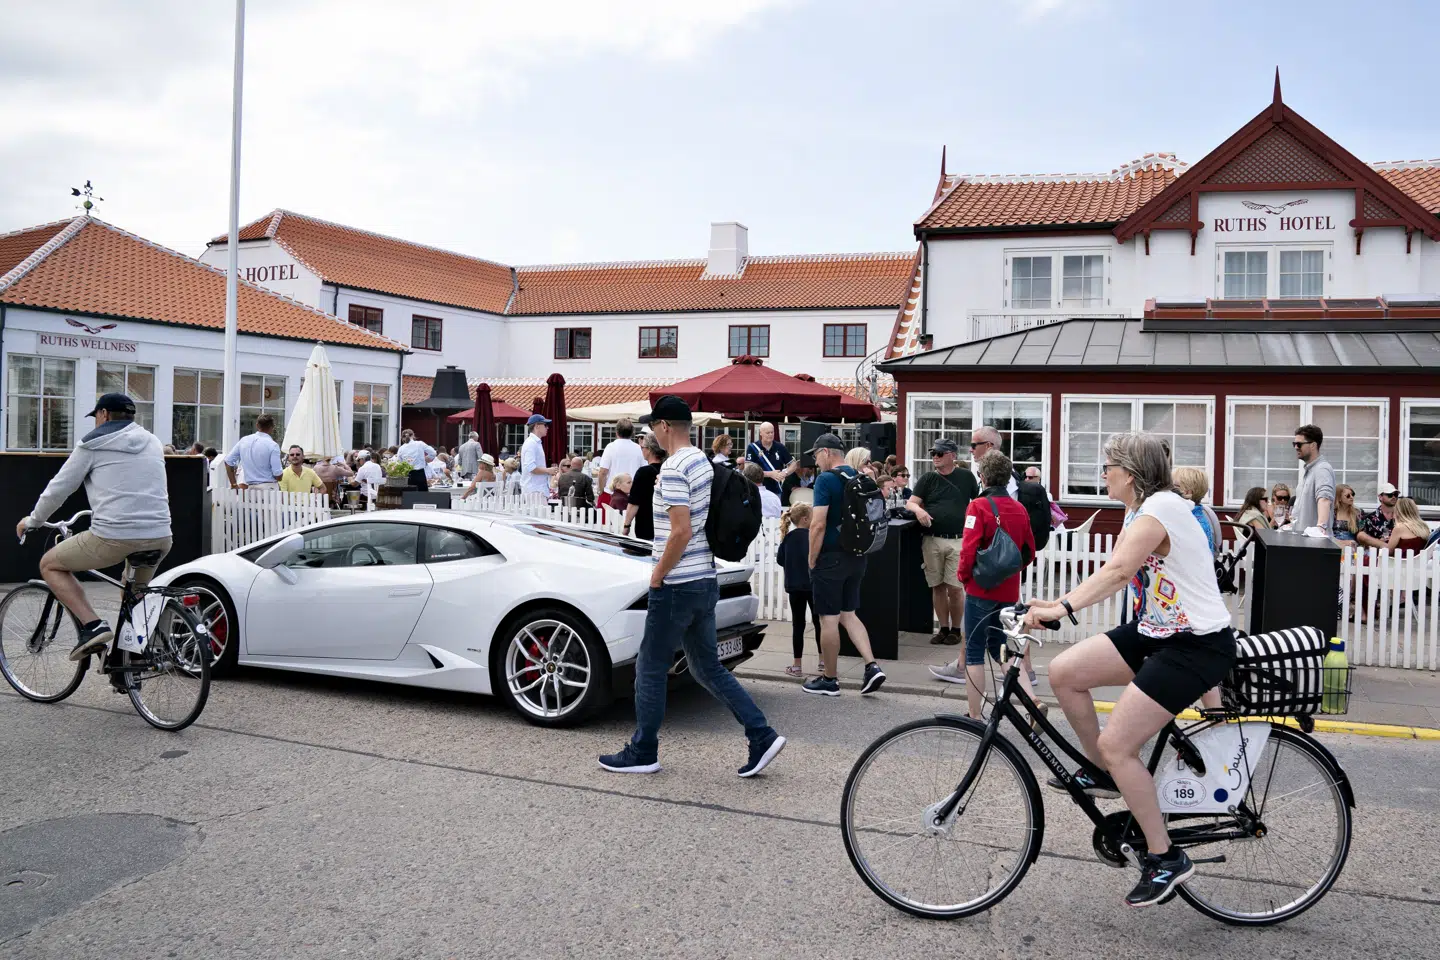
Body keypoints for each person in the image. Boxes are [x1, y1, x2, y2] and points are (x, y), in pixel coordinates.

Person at [1025, 431, 1234, 908]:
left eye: (1108, 466)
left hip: (1195, 645)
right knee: (1064, 673)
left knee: (1119, 743)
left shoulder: (1161, 509)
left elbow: (1118, 571)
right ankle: (1102, 772)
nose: (1103, 474)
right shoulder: (1143, 508)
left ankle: (1165, 858)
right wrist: (1056, 603)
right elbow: (1117, 573)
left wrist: (1060, 608)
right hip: (1158, 631)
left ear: (1132, 475)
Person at [599, 395, 786, 778]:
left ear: (665, 427)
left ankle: (643, 750)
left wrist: (657, 575)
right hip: (704, 578)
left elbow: (680, 531)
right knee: (706, 668)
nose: (651, 431)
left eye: (653, 425)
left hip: (677, 583)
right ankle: (761, 733)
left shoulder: (672, 470)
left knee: (650, 666)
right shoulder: (701, 461)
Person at [15, 393, 173, 661]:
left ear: (104, 415)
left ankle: (92, 626)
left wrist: (34, 520)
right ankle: (129, 662)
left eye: (96, 417)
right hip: (161, 535)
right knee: (133, 593)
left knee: (50, 564)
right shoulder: (153, 441)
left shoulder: (93, 444)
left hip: (114, 535)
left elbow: (59, 489)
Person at [929, 451, 1041, 721]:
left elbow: (968, 550)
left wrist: (966, 578)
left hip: (980, 589)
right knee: (1004, 646)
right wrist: (1011, 572)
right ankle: (1033, 701)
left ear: (983, 477)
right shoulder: (1019, 508)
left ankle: (974, 714)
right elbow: (1029, 551)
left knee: (975, 651)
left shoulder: (978, 506)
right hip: (1009, 589)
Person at [801, 436, 887, 697]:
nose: (815, 461)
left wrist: (811, 559)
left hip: (831, 558)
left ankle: (830, 679)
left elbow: (817, 524)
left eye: (816, 455)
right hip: (857, 556)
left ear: (827, 452)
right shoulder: (861, 477)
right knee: (849, 614)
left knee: (828, 619)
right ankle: (872, 666)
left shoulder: (826, 480)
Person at [906, 437, 980, 646]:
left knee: (955, 588)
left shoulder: (966, 477)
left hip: (958, 539)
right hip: (932, 539)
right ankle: (943, 628)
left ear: (952, 456)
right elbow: (910, 503)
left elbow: (978, 502)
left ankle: (956, 629)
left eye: (939, 453)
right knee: (937, 586)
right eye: (933, 454)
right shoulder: (927, 479)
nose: (935, 457)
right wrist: (919, 510)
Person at [776, 503, 822, 677]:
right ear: (805, 519)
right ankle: (823, 661)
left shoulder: (787, 538)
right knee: (819, 623)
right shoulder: (812, 536)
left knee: (798, 625)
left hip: (794, 587)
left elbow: (781, 560)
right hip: (812, 585)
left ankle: (797, 665)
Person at [1291, 424, 1334, 533]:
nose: (1296, 447)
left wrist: (1320, 527)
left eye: (1299, 444)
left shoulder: (1322, 469)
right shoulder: (1310, 470)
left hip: (1314, 543)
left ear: (1313, 445)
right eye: (1294, 444)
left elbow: (1324, 499)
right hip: (1304, 540)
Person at [595, 418, 646, 507]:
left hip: (611, 492)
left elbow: (603, 472)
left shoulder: (611, 447)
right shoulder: (639, 449)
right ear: (632, 433)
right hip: (632, 493)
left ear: (617, 432)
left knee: (605, 520)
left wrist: (601, 490)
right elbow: (644, 471)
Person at [223, 414, 283, 489]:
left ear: (257, 425)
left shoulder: (244, 441)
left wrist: (234, 484)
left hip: (250, 488)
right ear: (272, 427)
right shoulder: (273, 445)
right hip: (269, 488)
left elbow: (228, 461)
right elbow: (278, 475)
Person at [1171, 466, 1221, 555]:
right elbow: (1218, 542)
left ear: (1187, 492)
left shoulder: (1181, 517)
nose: (1168, 489)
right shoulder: (1206, 512)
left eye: (1174, 486)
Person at [623, 436, 665, 540]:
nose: (641, 450)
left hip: (646, 527)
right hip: (665, 526)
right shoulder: (667, 469)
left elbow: (634, 503)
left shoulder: (643, 472)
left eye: (642, 447)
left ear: (649, 449)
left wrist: (626, 526)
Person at [746, 422, 794, 497]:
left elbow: (793, 464)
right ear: (761, 433)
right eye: (768, 433)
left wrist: (785, 473)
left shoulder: (780, 447)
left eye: (772, 432)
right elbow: (748, 469)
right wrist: (770, 474)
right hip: (757, 489)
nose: (770, 435)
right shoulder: (752, 447)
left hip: (776, 490)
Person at [970, 426, 1018, 496]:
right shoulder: (998, 471)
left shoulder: (1003, 475)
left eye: (973, 445)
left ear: (988, 445)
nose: (970, 450)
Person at [520, 414, 558, 500]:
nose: (547, 428)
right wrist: (548, 470)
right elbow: (531, 468)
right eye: (545, 425)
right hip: (534, 490)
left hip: (536, 489)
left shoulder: (535, 442)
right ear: (537, 426)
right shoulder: (531, 443)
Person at [1358, 482, 1400, 548]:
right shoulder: (1368, 519)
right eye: (1390, 495)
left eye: (1396, 494)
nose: (1394, 497)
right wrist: (1378, 542)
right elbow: (1361, 542)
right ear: (1380, 497)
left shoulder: (1402, 517)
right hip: (1376, 555)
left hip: (1399, 554)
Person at [395, 428, 436, 493]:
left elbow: (399, 462)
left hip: (408, 475)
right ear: (413, 435)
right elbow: (433, 453)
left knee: (409, 498)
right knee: (422, 497)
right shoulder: (420, 444)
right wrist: (427, 458)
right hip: (420, 474)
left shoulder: (401, 448)